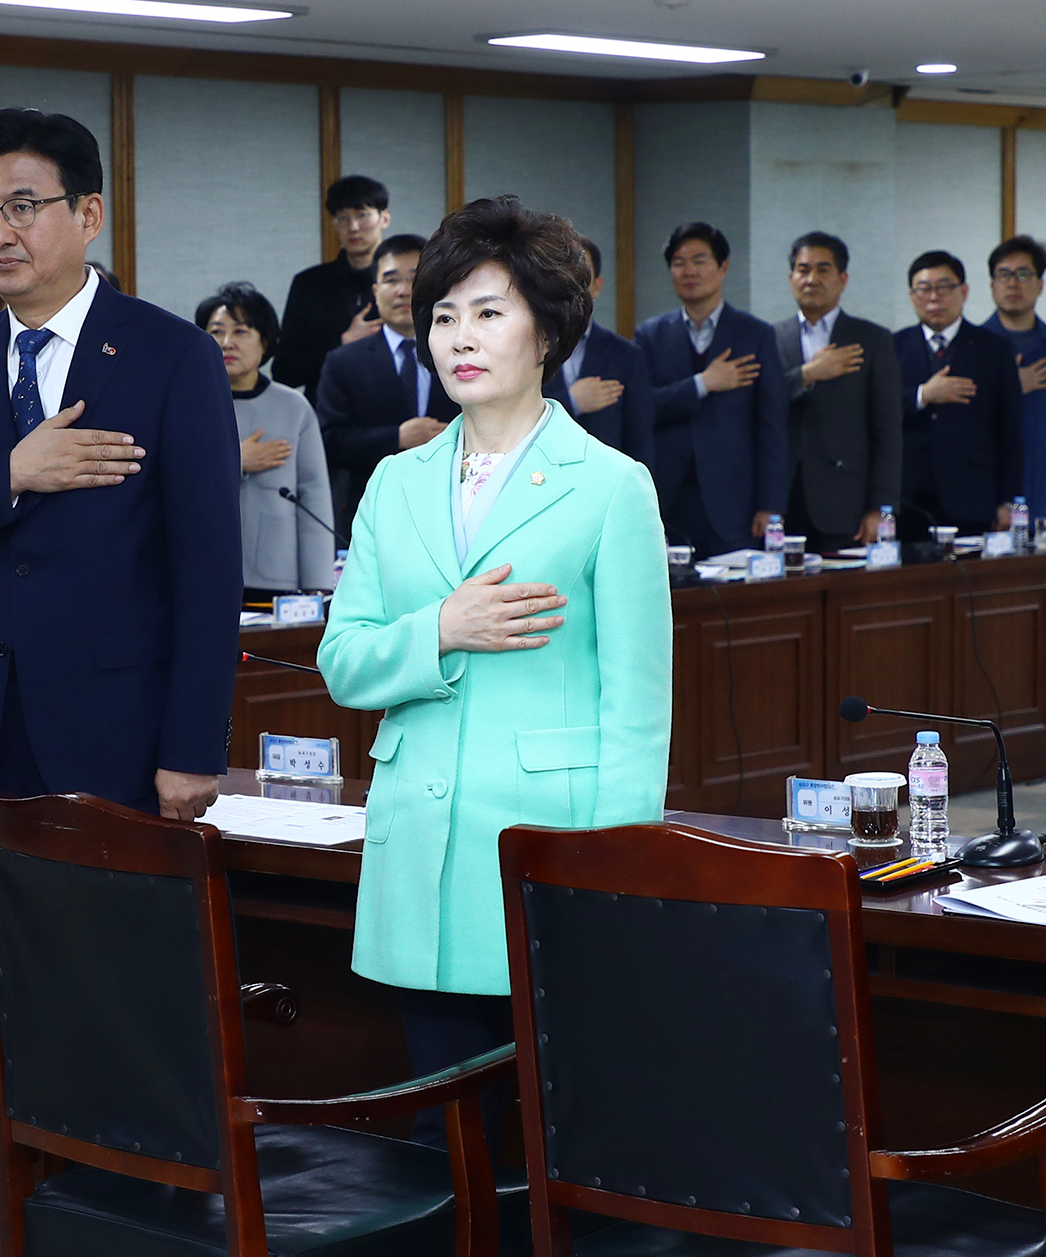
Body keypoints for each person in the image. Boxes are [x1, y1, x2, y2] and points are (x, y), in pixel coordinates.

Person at [317, 195, 670, 1144]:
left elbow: (637, 711)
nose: (459, 338)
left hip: (543, 855)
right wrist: (441, 628)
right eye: (443, 315)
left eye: (488, 311)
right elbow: (344, 663)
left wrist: (615, 880)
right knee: (444, 1144)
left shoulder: (610, 486)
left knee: (550, 1146)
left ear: (548, 330)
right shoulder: (396, 481)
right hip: (419, 854)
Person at [0, 107, 240, 968]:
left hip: (119, 736)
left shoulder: (170, 354)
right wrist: (9, 475)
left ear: (89, 215)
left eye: (23, 206)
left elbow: (210, 567)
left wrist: (193, 748)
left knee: (111, 982)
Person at [635, 222, 787, 558]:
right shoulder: (650, 335)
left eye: (700, 260)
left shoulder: (755, 334)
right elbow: (643, 408)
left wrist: (771, 506)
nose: (688, 270)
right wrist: (703, 384)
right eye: (678, 262)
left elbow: (772, 426)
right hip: (669, 496)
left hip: (735, 500)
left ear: (723, 267)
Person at [198, 282, 335, 600]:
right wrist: (236, 460)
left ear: (266, 341)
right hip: (204, 572)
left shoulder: (293, 407)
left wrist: (318, 584)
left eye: (241, 332)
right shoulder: (188, 404)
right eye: (216, 332)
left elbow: (313, 497)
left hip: (278, 573)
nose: (227, 343)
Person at [315, 234, 458, 538]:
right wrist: (397, 437)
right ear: (375, 291)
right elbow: (329, 441)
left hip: (454, 507)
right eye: (391, 280)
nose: (404, 291)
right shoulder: (343, 361)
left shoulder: (462, 351)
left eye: (414, 278)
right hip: (375, 511)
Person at [774, 231, 902, 553]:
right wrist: (806, 375)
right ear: (791, 278)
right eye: (803, 270)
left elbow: (887, 431)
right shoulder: (769, 338)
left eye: (823, 269)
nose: (811, 279)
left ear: (843, 279)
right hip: (782, 499)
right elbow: (758, 405)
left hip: (847, 500)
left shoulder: (872, 340)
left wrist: (882, 508)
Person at [894, 251, 1024, 537]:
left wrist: (1009, 500)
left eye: (944, 287)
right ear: (912, 295)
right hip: (907, 496)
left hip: (973, 495)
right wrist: (923, 395)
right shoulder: (893, 347)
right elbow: (877, 413)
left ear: (963, 292)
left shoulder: (994, 349)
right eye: (924, 289)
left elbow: (1010, 429)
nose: (933, 297)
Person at [273, 174, 394, 394]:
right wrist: (342, 342)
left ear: (384, 218)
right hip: (327, 415)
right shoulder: (309, 284)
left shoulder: (408, 284)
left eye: (362, 215)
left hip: (396, 411)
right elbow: (284, 371)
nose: (353, 227)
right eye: (343, 218)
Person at [982, 235, 1046, 526]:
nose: (1012, 283)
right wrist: (1011, 387)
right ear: (992, 285)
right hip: (990, 494)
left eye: (1023, 274)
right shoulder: (973, 345)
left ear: (1040, 284)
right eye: (1003, 275)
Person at [543, 236, 654, 465]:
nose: (572, 283)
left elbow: (640, 443)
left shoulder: (627, 356)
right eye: (563, 273)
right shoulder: (529, 348)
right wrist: (571, 401)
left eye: (582, 275)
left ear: (597, 286)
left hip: (605, 481)